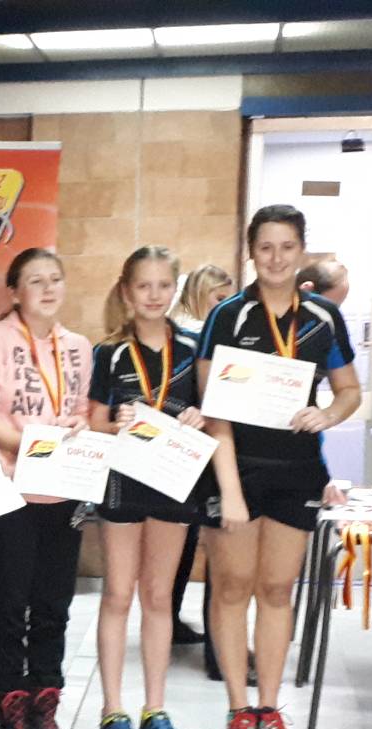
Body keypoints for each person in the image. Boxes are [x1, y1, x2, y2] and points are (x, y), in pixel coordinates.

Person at [199, 204, 361, 729]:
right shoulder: (228, 316)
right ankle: (238, 710)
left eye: (286, 247)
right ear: (251, 251)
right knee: (232, 587)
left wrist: (329, 414)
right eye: (265, 247)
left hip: (298, 472)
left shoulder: (323, 317)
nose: (275, 258)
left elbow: (349, 389)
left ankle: (269, 709)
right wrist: (230, 490)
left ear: (301, 250)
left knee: (275, 589)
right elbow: (213, 409)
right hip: (236, 469)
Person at [0, 248, 92, 729]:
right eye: (35, 281)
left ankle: (46, 710)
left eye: (55, 279)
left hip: (63, 491)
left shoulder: (79, 346)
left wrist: (80, 427)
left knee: (53, 609)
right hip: (10, 490)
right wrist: (32, 447)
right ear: (15, 291)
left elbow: (81, 410)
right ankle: (12, 717)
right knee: (10, 606)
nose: (47, 289)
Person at [88, 247, 206, 729]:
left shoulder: (193, 350)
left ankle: (155, 709)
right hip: (123, 482)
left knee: (159, 597)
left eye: (163, 285)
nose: (154, 295)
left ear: (174, 289)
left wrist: (199, 417)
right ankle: (113, 711)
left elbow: (212, 412)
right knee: (118, 594)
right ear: (126, 290)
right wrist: (112, 423)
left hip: (173, 480)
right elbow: (93, 419)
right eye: (144, 286)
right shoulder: (110, 353)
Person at [168, 265, 236, 676]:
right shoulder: (191, 339)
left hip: (194, 454)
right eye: (218, 298)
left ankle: (174, 624)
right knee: (192, 550)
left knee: (184, 548)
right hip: (191, 453)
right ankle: (217, 652)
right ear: (197, 295)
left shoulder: (193, 336)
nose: (224, 306)